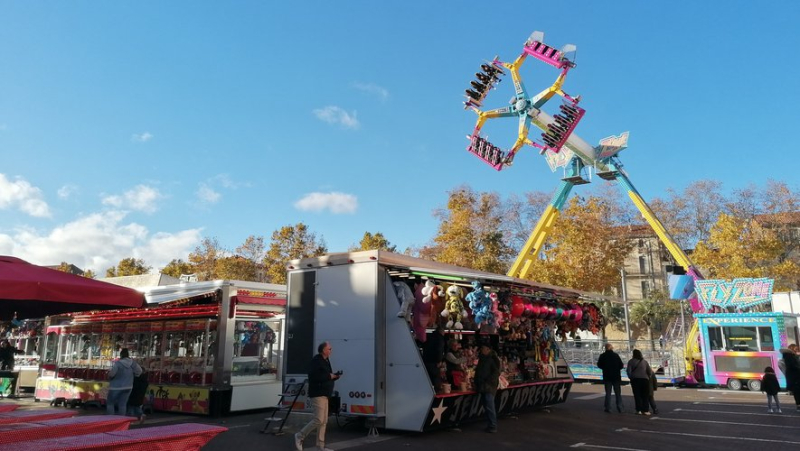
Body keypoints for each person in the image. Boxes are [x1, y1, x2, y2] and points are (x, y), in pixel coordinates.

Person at [295, 342, 340, 451]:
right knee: (319, 419)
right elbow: (314, 376)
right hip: (318, 393)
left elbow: (325, 376)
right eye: (329, 348)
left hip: (325, 394)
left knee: (324, 421)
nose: (331, 350)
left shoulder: (325, 361)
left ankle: (320, 446)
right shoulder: (316, 361)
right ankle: (300, 435)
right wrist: (330, 376)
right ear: (324, 350)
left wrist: (334, 377)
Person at [106, 348, 143, 415]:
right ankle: (121, 420)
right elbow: (139, 371)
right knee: (122, 404)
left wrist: (109, 375)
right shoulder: (133, 363)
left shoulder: (118, 363)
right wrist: (134, 375)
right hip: (128, 386)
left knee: (110, 403)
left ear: (121, 355)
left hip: (115, 387)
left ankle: (110, 419)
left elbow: (112, 374)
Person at [474, 343, 500, 433]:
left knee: (489, 406)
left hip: (489, 386)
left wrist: (488, 381)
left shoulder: (493, 359)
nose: (482, 350)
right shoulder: (482, 359)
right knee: (487, 405)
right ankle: (491, 424)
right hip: (483, 385)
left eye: (484, 348)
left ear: (488, 349)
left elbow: (496, 372)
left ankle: (493, 425)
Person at [596, 343, 624, 413]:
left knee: (608, 393)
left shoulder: (602, 356)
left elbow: (599, 365)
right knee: (618, 393)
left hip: (607, 376)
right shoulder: (616, 355)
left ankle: (608, 408)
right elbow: (621, 365)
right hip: (616, 376)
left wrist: (605, 368)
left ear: (605, 348)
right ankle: (620, 408)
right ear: (611, 348)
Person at [626, 349, 653, 415]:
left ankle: (638, 410)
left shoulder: (631, 361)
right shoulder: (644, 362)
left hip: (635, 380)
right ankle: (646, 410)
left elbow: (628, 371)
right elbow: (649, 371)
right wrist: (648, 377)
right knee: (645, 395)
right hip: (645, 380)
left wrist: (631, 377)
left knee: (637, 395)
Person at [422, 325, 446, 392]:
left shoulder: (429, 336)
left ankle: (428, 391)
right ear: (441, 331)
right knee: (435, 378)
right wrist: (439, 360)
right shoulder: (439, 338)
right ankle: (436, 393)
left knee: (428, 378)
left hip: (426, 360)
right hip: (434, 362)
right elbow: (439, 349)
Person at [780, 344, 800, 411]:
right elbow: (793, 367)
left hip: (794, 378)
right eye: (796, 349)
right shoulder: (789, 357)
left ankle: (798, 406)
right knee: (797, 392)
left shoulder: (788, 356)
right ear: (792, 349)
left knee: (797, 393)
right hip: (795, 377)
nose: (796, 350)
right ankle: (798, 406)